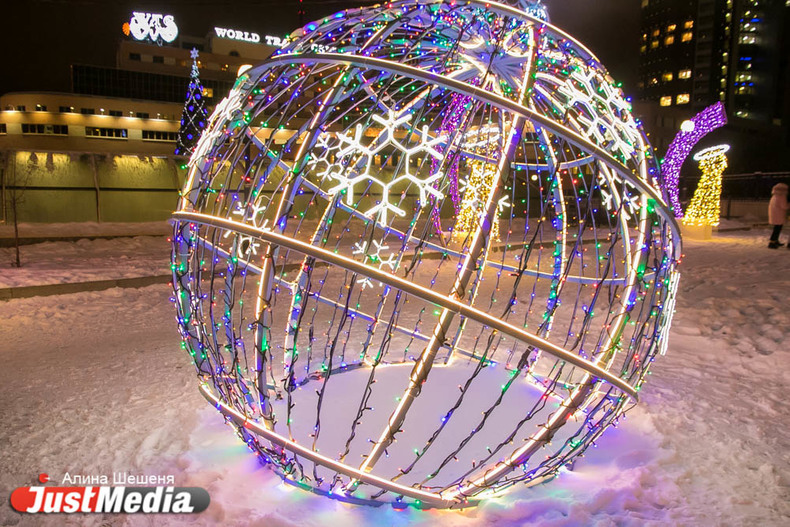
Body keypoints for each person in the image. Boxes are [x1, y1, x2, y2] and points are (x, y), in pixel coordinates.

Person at [768, 182, 789, 249]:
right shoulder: (782, 196)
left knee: (776, 229)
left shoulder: (774, 196)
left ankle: (775, 241)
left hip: (775, 215)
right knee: (777, 229)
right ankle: (772, 243)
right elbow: (784, 206)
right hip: (779, 215)